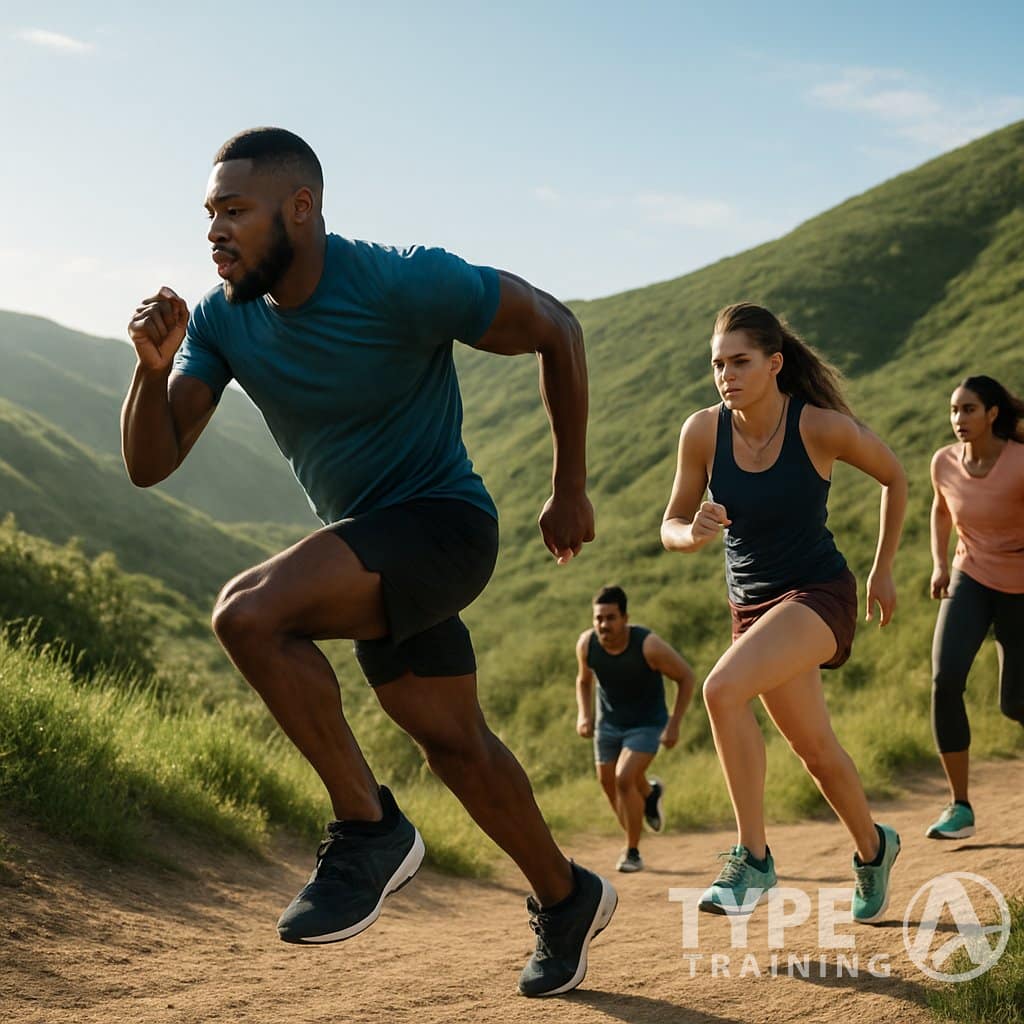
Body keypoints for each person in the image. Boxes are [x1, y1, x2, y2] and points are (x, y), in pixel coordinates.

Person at [121, 127, 616, 998]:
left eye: (235, 210)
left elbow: (557, 328)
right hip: (373, 549)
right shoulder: (222, 321)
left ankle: (368, 826)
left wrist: (568, 486)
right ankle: (568, 895)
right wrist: (148, 371)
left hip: (443, 526)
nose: (215, 231)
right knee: (454, 744)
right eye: (210, 213)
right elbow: (152, 462)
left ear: (300, 208)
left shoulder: (403, 279)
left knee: (249, 613)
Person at [660, 302, 907, 923]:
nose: (726, 375)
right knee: (816, 751)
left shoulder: (819, 427)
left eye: (739, 362)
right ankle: (875, 849)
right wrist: (693, 532)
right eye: (718, 364)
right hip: (753, 608)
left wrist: (882, 568)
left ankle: (755, 858)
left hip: (818, 594)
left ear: (773, 363)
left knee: (721, 690)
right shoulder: (702, 432)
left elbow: (894, 477)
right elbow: (670, 525)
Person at [927, 375, 1024, 840]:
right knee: (945, 680)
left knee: (1015, 702)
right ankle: (959, 805)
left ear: (992, 414)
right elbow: (941, 509)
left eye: (968, 409)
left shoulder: (1020, 463)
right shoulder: (944, 462)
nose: (958, 419)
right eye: (953, 410)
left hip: (1020, 587)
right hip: (970, 575)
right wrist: (940, 564)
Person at [575, 585, 695, 872]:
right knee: (608, 783)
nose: (604, 624)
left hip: (647, 723)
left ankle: (632, 851)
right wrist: (584, 715)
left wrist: (674, 724)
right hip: (609, 725)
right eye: (599, 618)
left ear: (625, 618)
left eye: (611, 617)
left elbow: (686, 677)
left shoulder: (648, 645)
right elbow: (583, 681)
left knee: (624, 778)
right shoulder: (586, 644)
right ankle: (649, 795)